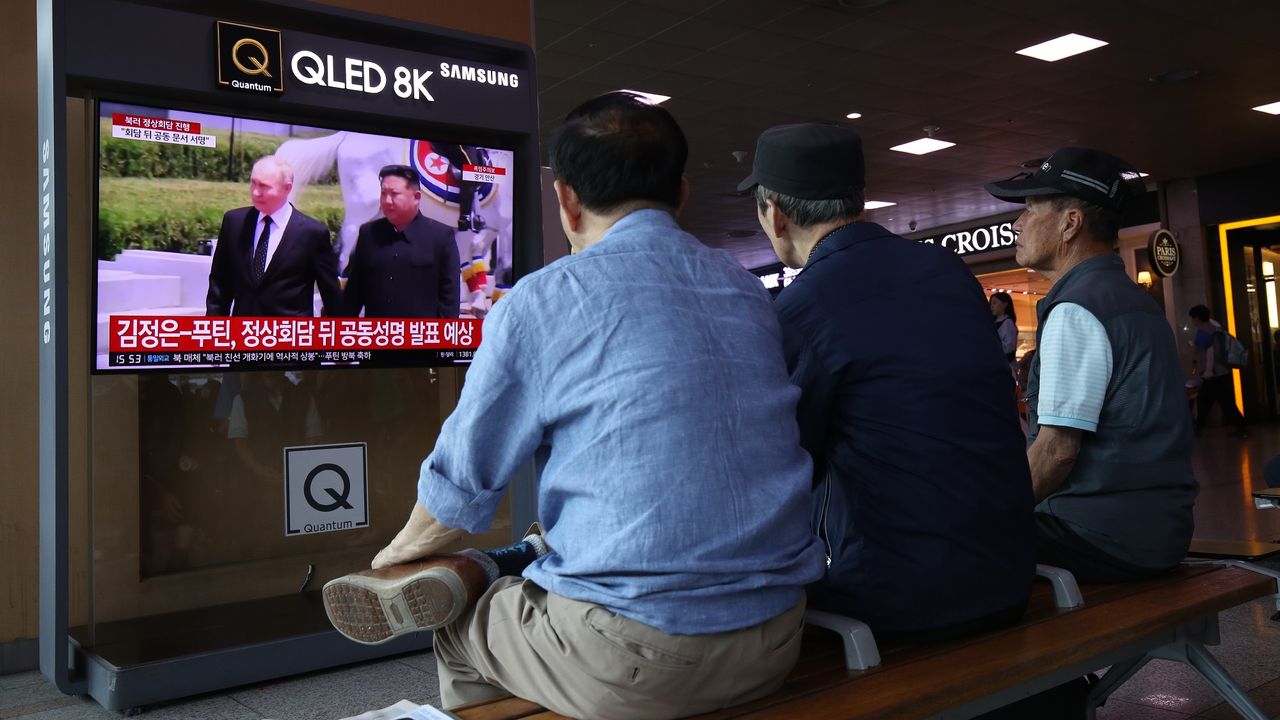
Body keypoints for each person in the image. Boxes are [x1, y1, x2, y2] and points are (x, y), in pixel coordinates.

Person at [323, 93, 826, 720]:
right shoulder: (745, 291)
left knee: (460, 628)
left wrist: (396, 559)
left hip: (638, 655)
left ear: (566, 199)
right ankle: (517, 566)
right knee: (561, 541)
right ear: (683, 192)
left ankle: (489, 579)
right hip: (778, 633)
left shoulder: (543, 302)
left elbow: (460, 487)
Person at [737, 123, 1035, 639]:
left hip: (900, 599)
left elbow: (776, 469)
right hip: (1008, 575)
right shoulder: (948, 273)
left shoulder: (801, 309)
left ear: (776, 215)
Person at [984, 147, 1198, 583]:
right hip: (1158, 529)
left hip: (1100, 533)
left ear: (1070, 224)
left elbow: (1058, 452)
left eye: (1029, 209)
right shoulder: (1134, 300)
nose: (1017, 223)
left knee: (954, 546)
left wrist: (993, 515)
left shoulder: (1076, 310)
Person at [206, 156, 343, 317]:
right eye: (253, 183)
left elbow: (331, 294)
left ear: (287, 188)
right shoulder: (234, 222)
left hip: (288, 336)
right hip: (243, 333)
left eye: (264, 186)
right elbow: (220, 284)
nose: (256, 192)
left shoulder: (312, 233)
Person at [342, 164, 460, 318]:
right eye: (383, 193)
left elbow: (449, 301)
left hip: (421, 338)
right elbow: (354, 294)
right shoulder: (368, 234)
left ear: (416, 197)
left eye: (394, 194)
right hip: (377, 336)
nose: (387, 201)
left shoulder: (441, 237)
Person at [1188, 304, 1248, 438]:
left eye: (1193, 318)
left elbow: (1209, 352)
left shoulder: (1203, 331)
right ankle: (1240, 427)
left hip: (1213, 373)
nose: (1193, 321)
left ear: (1197, 318)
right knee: (1219, 401)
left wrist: (1208, 371)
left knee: (1209, 401)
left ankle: (1198, 427)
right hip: (1221, 371)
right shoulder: (1215, 326)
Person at [991, 290, 1019, 367]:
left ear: (1005, 304)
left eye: (994, 303)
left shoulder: (1007, 323)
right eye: (991, 304)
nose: (992, 306)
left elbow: (1009, 347)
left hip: (1005, 365)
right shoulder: (994, 322)